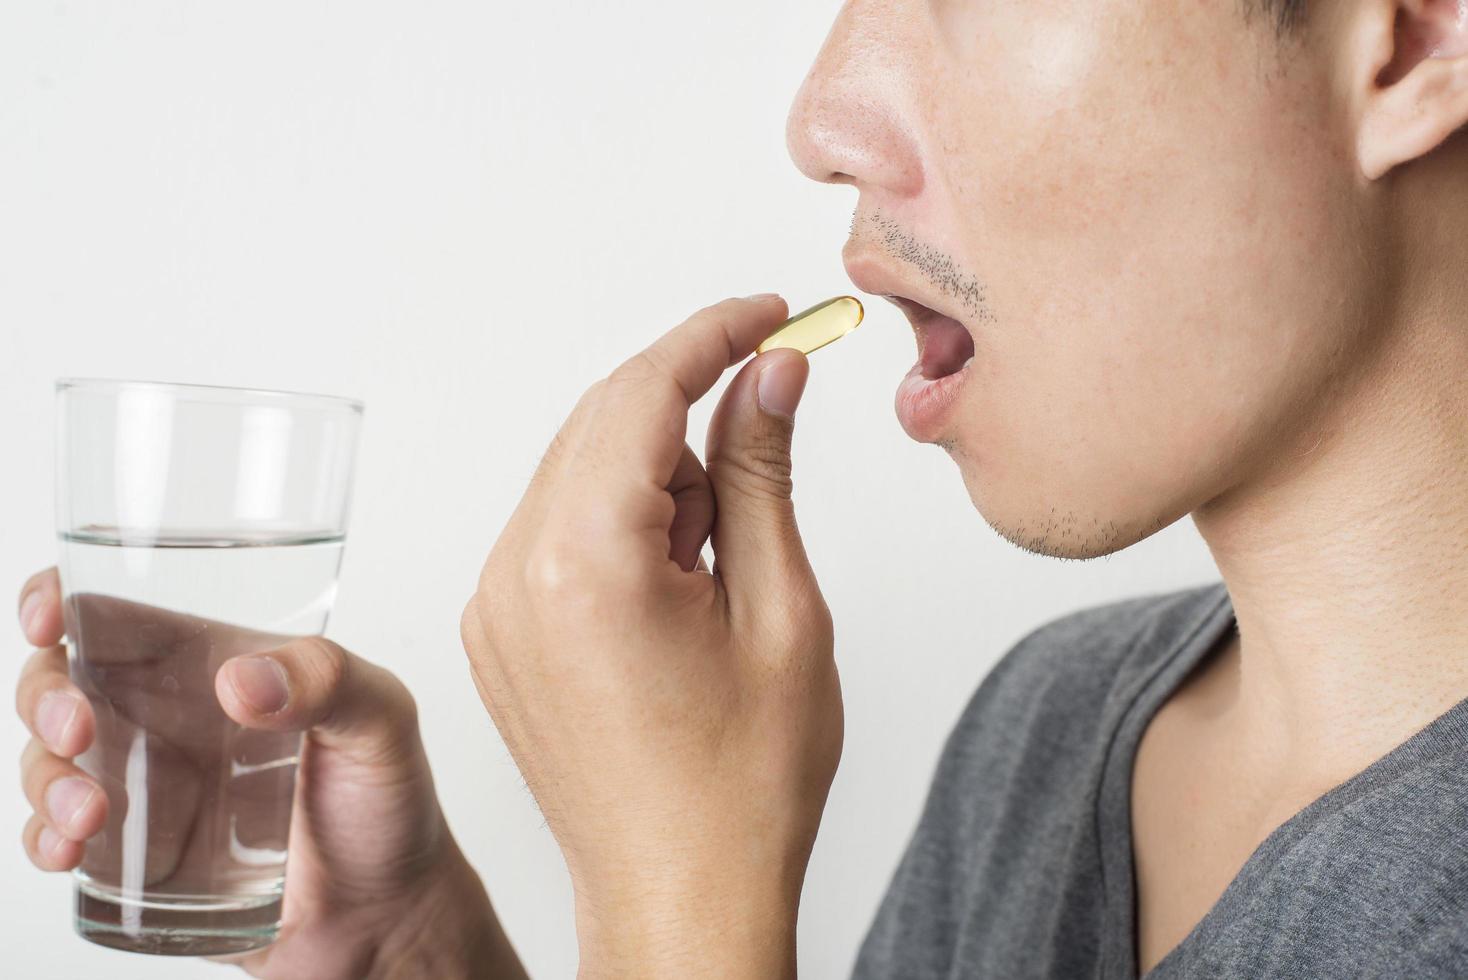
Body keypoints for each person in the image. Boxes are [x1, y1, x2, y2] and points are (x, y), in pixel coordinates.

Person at [15, 0, 1468, 976]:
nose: (822, 119)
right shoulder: (1051, 728)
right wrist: (425, 959)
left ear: (1410, 40)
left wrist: (677, 884)